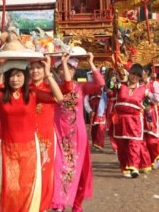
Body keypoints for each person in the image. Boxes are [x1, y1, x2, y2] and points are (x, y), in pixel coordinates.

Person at [0, 55, 68, 211]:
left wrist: (48, 74)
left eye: (19, 75)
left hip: (30, 148)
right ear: (7, 77)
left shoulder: (33, 94)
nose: (15, 79)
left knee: (28, 184)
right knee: (11, 186)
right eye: (11, 76)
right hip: (8, 149)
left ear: (25, 76)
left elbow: (59, 97)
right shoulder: (0, 94)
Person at [51, 53, 104, 212]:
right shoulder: (54, 87)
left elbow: (100, 83)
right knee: (59, 166)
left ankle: (76, 204)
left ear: (75, 70)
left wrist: (91, 63)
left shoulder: (81, 87)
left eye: (68, 68)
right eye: (61, 69)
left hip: (77, 134)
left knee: (78, 169)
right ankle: (58, 203)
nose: (64, 72)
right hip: (58, 132)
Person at [28, 53, 72, 212]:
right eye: (32, 68)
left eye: (38, 68)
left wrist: (54, 70)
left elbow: (67, 88)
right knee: (30, 172)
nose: (35, 71)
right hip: (28, 136)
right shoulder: (25, 88)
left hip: (46, 136)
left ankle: (43, 206)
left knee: (45, 172)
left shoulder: (49, 87)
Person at [112, 63, 159, 178]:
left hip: (135, 120)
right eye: (133, 74)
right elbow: (110, 85)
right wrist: (114, 72)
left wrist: (149, 120)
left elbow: (147, 106)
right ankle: (125, 167)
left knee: (134, 144)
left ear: (140, 77)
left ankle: (134, 167)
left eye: (137, 75)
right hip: (120, 120)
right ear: (129, 74)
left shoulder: (144, 90)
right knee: (122, 146)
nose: (134, 77)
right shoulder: (120, 86)